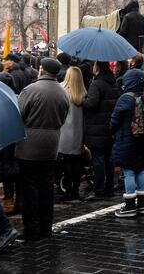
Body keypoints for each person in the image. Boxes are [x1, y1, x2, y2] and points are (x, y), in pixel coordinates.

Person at [14, 57, 70, 241]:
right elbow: (63, 118)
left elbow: (19, 115)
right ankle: (46, 227)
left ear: (41, 70)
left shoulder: (31, 90)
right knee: (46, 187)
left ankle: (31, 229)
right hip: (52, 144)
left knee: (29, 188)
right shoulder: (63, 93)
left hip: (29, 145)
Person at [112, 69, 144, 218]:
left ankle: (130, 206)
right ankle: (142, 205)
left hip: (126, 140)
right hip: (142, 139)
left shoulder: (125, 98)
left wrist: (112, 131)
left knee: (128, 171)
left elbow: (115, 120)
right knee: (140, 170)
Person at [82, 61, 120, 200]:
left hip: (97, 127)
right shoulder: (113, 82)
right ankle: (109, 188)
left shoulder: (97, 84)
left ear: (97, 67)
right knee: (108, 159)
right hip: (109, 126)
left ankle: (98, 190)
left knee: (97, 158)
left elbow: (91, 103)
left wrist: (82, 100)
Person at [58, 66, 87, 202]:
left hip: (64, 131)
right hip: (79, 132)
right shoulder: (83, 92)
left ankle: (68, 191)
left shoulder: (61, 90)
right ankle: (75, 189)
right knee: (77, 162)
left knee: (66, 163)